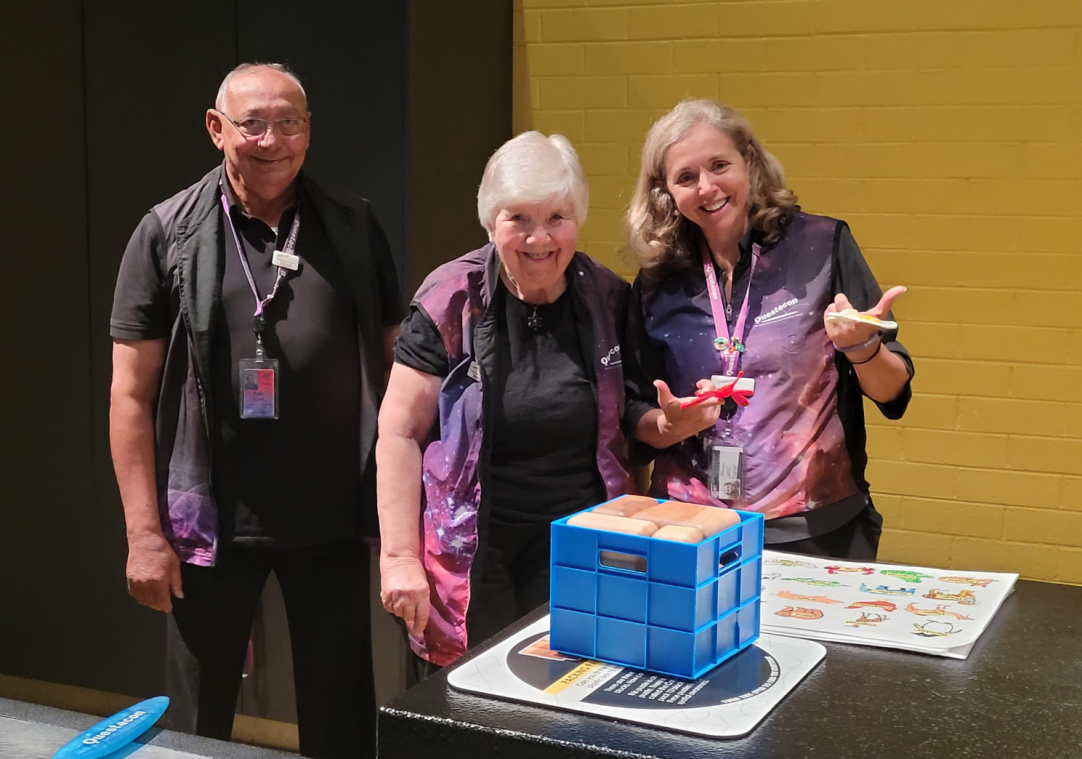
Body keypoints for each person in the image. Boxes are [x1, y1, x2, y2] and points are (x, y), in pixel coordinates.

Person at [108, 62, 403, 758]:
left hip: (331, 518)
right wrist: (144, 534)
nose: (274, 139)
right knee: (194, 723)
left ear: (310, 129)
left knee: (342, 720)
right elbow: (130, 394)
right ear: (217, 129)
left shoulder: (353, 225)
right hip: (206, 527)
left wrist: (401, 527)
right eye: (254, 124)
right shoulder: (166, 232)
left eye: (290, 122)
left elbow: (398, 373)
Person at [376, 131, 719, 669]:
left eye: (557, 218)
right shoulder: (449, 299)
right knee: (471, 707)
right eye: (519, 220)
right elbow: (398, 433)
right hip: (471, 553)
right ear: (491, 222)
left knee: (573, 701)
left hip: (583, 549)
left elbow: (629, 413)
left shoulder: (607, 297)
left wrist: (668, 422)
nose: (540, 238)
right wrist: (398, 560)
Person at [625, 99, 914, 561]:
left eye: (720, 165)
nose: (707, 187)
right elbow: (634, 410)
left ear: (750, 162)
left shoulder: (821, 247)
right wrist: (667, 424)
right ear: (666, 192)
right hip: (689, 531)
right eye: (686, 177)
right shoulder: (657, 282)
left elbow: (892, 392)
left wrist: (863, 349)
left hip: (813, 528)